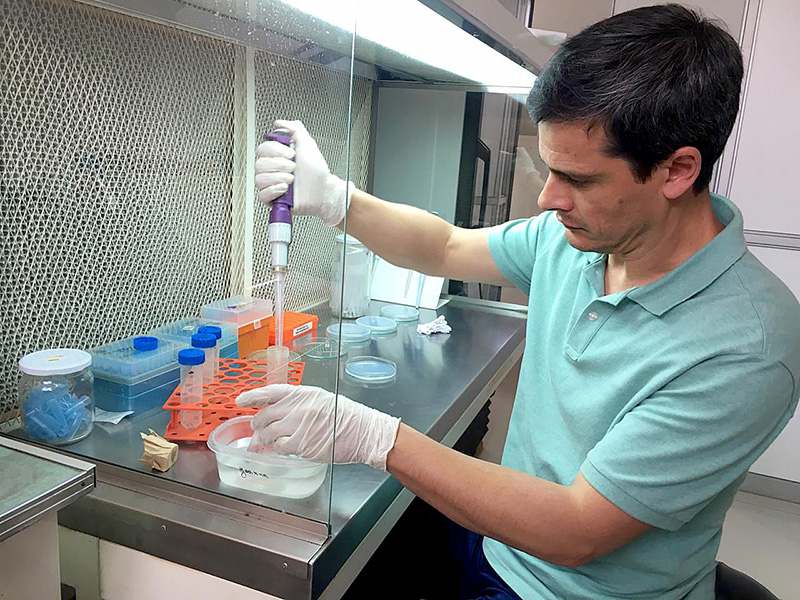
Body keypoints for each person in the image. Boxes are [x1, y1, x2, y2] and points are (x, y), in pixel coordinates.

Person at [238, 5, 800, 599]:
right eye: (550, 168)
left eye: (578, 180)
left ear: (677, 170)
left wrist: (378, 438)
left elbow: (577, 529)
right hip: (499, 543)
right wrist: (336, 200)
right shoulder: (580, 238)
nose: (548, 199)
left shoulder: (747, 347)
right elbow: (447, 245)